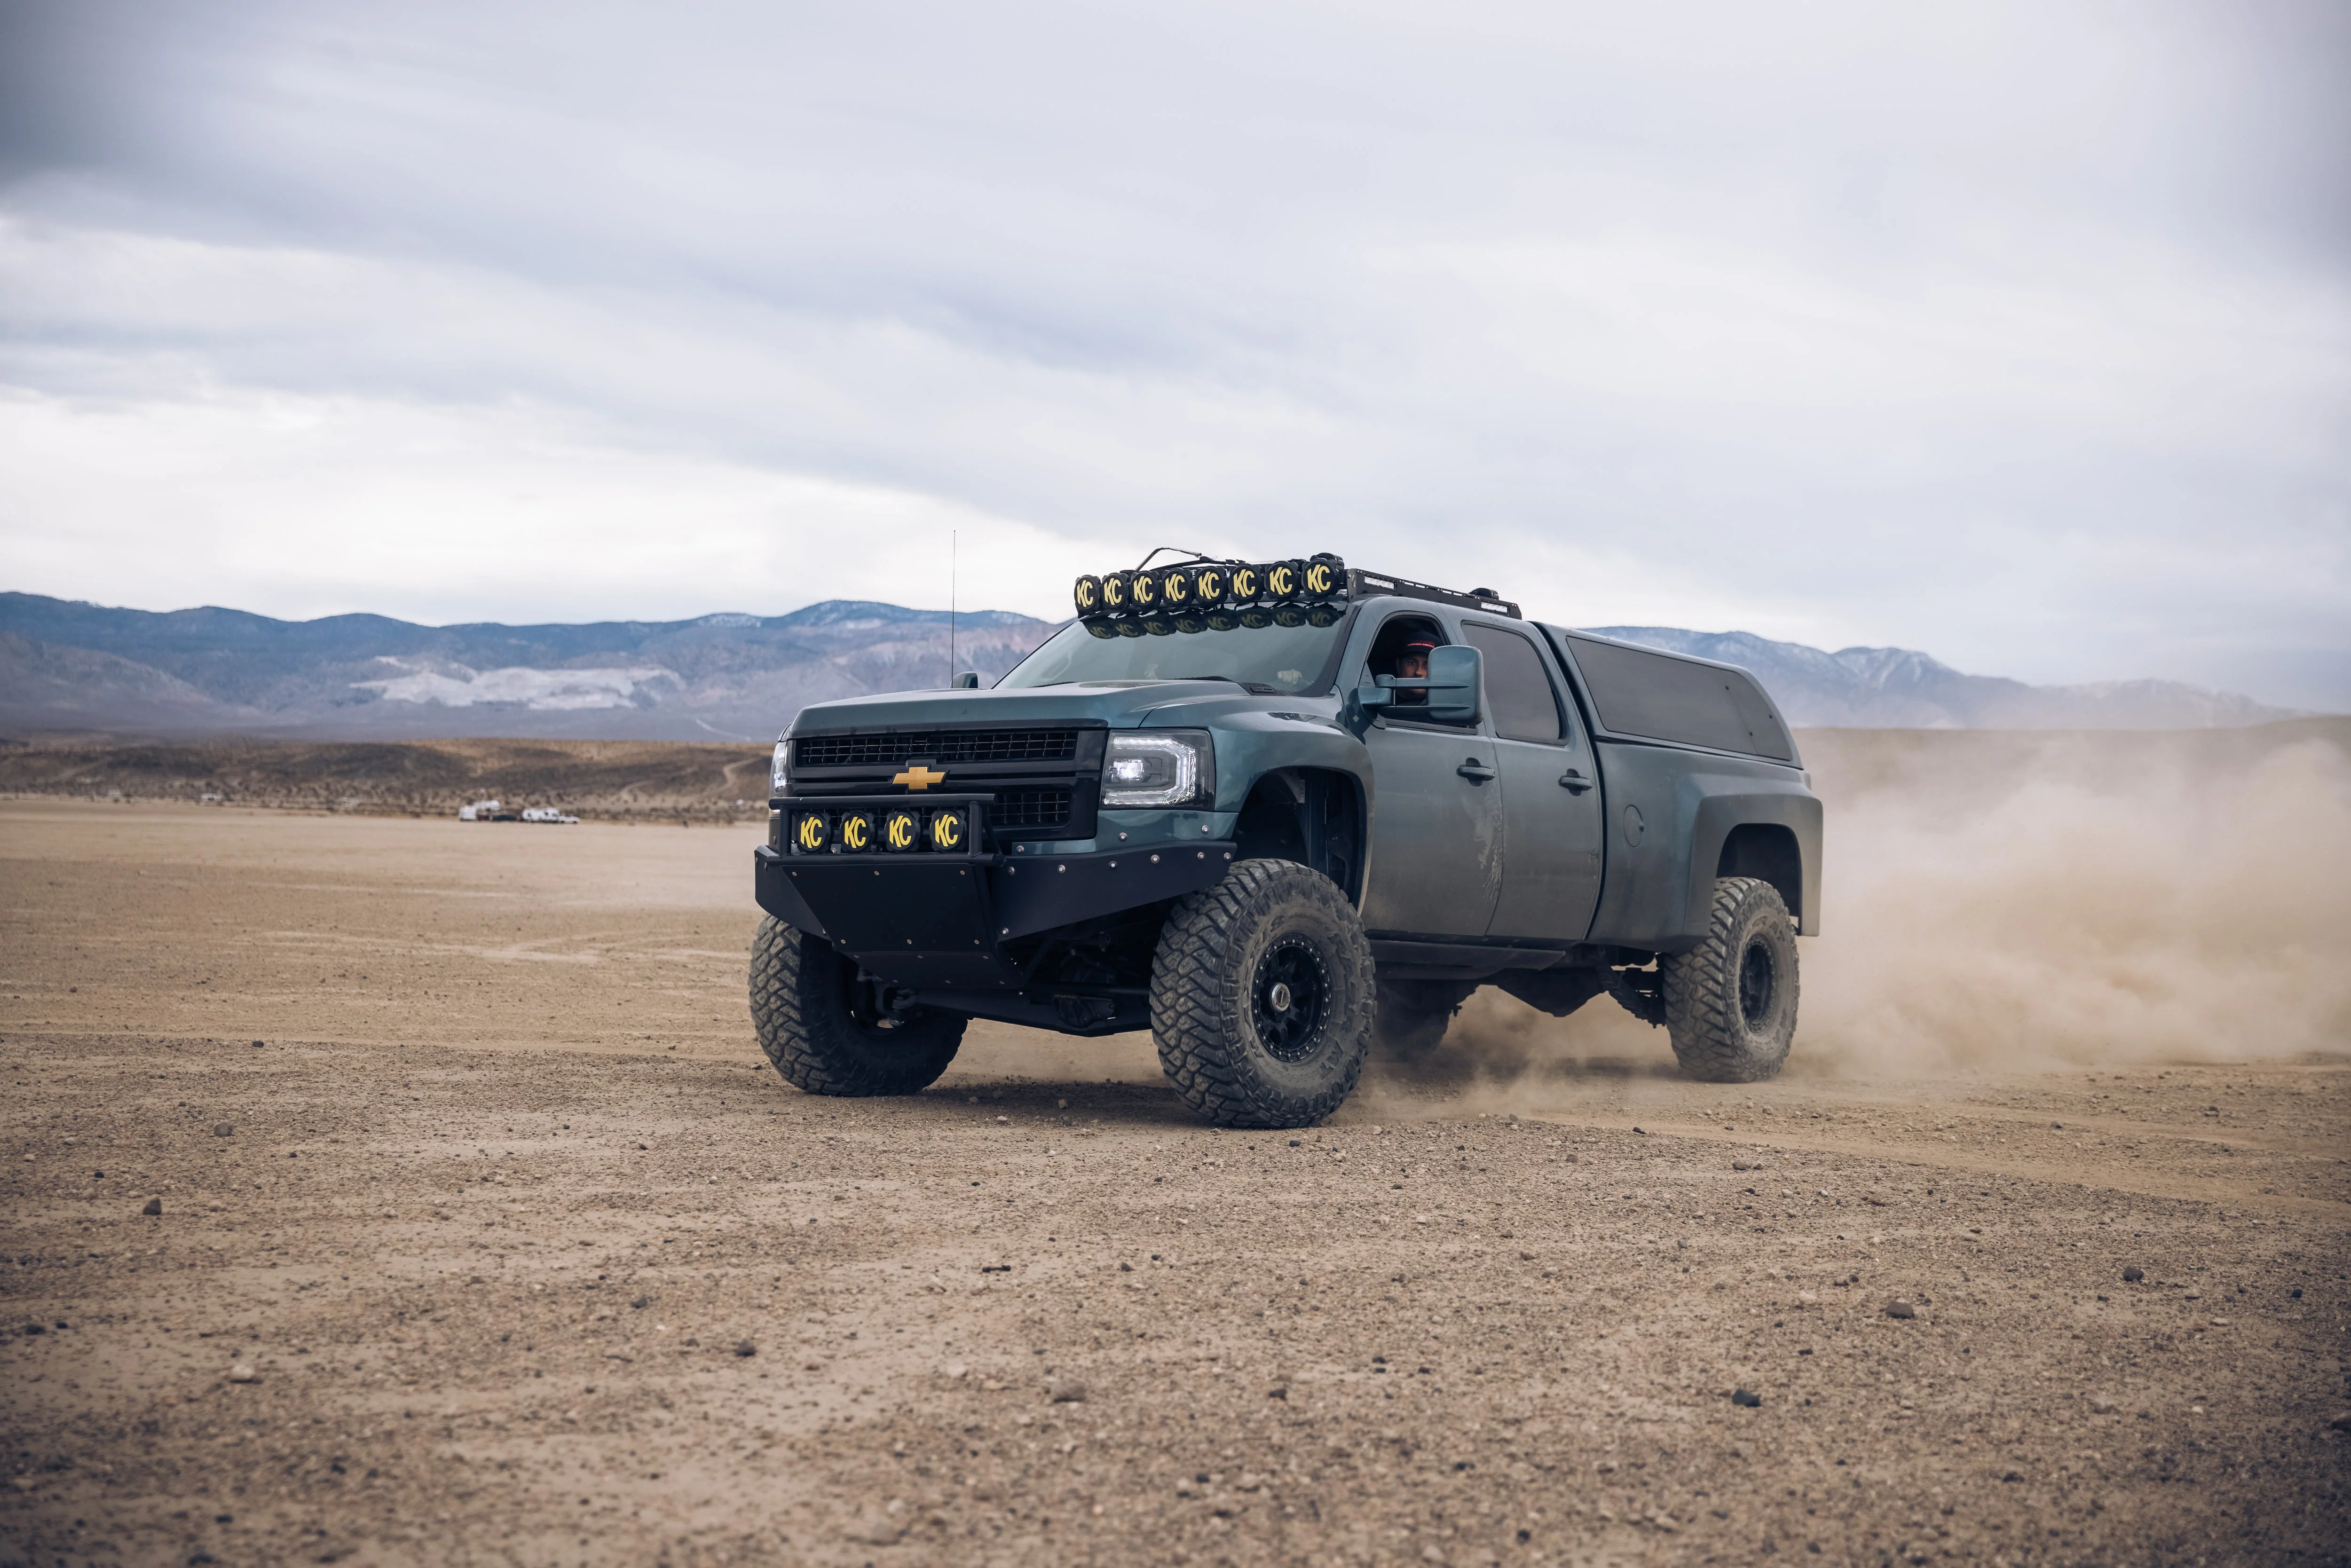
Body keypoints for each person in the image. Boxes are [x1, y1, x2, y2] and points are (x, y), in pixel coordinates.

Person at [1394, 637, 1436, 704]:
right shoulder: (1377, 701)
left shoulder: (1445, 707)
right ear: (1398, 665)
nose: (1418, 672)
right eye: (1412, 663)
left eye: (1427, 665)